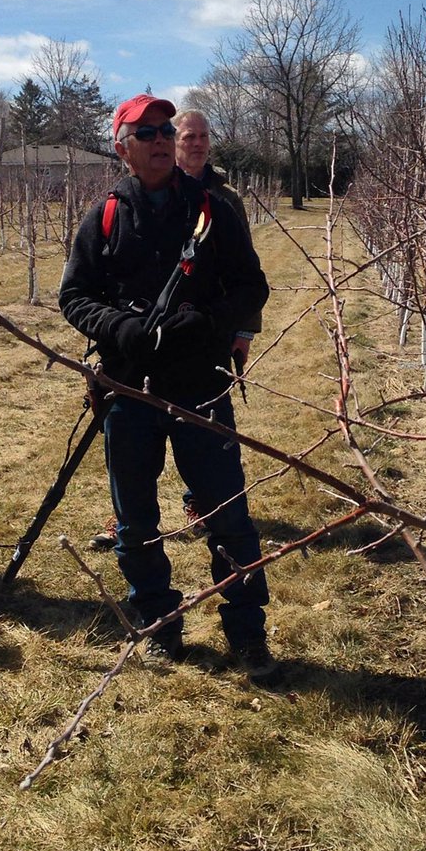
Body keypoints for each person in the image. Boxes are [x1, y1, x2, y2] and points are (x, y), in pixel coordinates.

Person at [59, 93, 277, 679]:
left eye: (165, 130)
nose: (160, 139)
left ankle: (247, 632)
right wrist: (121, 328)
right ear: (122, 147)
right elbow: (74, 296)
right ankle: (157, 619)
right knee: (135, 521)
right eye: (146, 132)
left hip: (200, 387)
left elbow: (252, 286)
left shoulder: (213, 211)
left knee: (228, 512)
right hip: (128, 391)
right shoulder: (103, 217)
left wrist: (204, 324)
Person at [174, 108, 263, 533]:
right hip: (158, 327)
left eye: (203, 136)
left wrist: (243, 330)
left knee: (207, 421)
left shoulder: (227, 198)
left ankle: (201, 502)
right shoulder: (156, 191)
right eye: (189, 136)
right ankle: (132, 513)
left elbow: (247, 271)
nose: (197, 143)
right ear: (173, 142)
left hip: (212, 328)